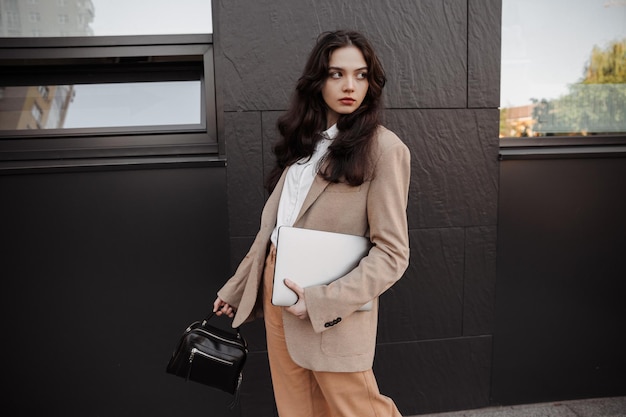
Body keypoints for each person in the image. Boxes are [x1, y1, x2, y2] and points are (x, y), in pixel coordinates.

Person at [213, 29, 410, 417]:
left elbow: (392, 254)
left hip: (328, 310)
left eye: (361, 74)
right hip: (277, 296)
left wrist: (321, 302)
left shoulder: (385, 150)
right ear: (317, 81)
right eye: (336, 74)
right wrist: (239, 287)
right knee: (297, 409)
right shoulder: (304, 145)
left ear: (372, 82)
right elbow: (275, 230)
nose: (349, 85)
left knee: (360, 411)